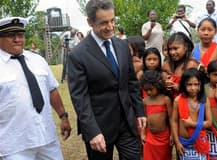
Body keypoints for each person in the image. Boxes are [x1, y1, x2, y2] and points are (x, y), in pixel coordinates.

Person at [67, 0, 146, 159]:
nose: (110, 27)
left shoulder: (123, 46)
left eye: (112, 21)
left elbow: (131, 82)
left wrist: (139, 111)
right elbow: (80, 98)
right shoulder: (78, 55)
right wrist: (92, 132)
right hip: (99, 128)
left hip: (127, 123)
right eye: (104, 23)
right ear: (90, 22)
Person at [0, 17, 71, 159]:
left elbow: (52, 90)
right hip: (14, 145)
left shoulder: (38, 60)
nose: (17, 39)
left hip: (46, 138)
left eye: (20, 35)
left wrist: (63, 116)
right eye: (11, 35)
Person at [171, 68, 212, 159]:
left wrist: (191, 124)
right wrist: (177, 142)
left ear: (200, 85)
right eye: (189, 84)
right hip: (184, 144)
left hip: (199, 142)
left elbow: (209, 123)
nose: (193, 88)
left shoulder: (204, 101)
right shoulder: (178, 100)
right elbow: (174, 121)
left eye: (196, 84)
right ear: (184, 85)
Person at [140, 70, 172, 160]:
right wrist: (142, 133)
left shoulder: (165, 99)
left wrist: (172, 134)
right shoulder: (145, 101)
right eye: (146, 90)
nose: (149, 92)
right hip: (150, 136)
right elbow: (144, 119)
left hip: (164, 137)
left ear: (158, 85)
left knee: (164, 157)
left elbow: (171, 118)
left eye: (151, 89)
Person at [162, 32, 196, 98]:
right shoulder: (166, 64)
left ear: (185, 47)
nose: (172, 52)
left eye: (175, 49)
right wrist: (164, 79)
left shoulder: (191, 64)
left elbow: (193, 89)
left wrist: (174, 85)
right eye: (170, 49)